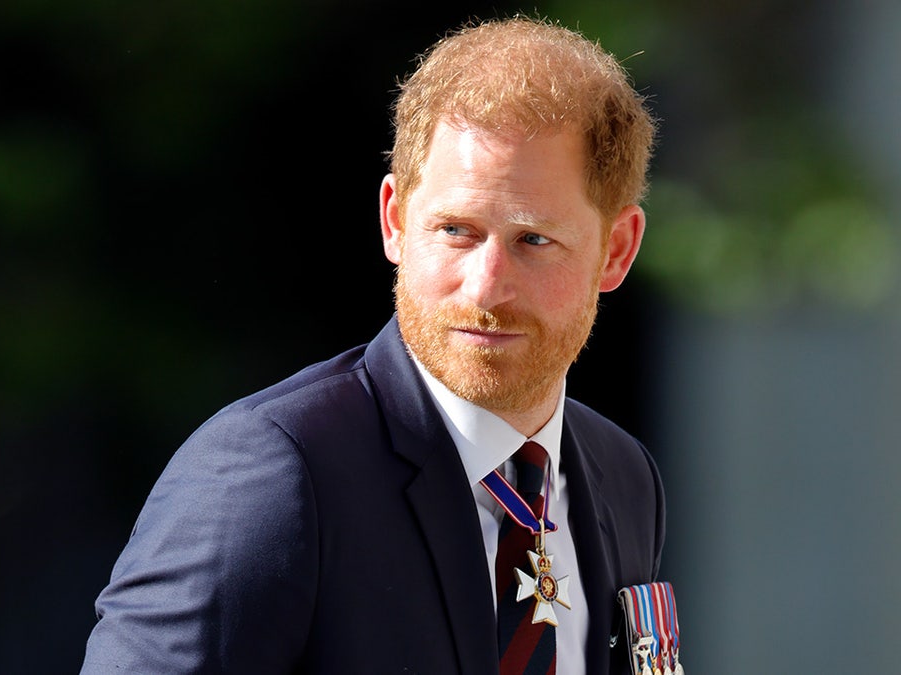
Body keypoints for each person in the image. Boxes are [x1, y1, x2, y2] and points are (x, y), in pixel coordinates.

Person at [81, 16, 664, 675]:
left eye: (533, 240)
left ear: (616, 249)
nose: (485, 287)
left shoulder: (623, 476)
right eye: (455, 230)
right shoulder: (277, 472)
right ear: (394, 220)